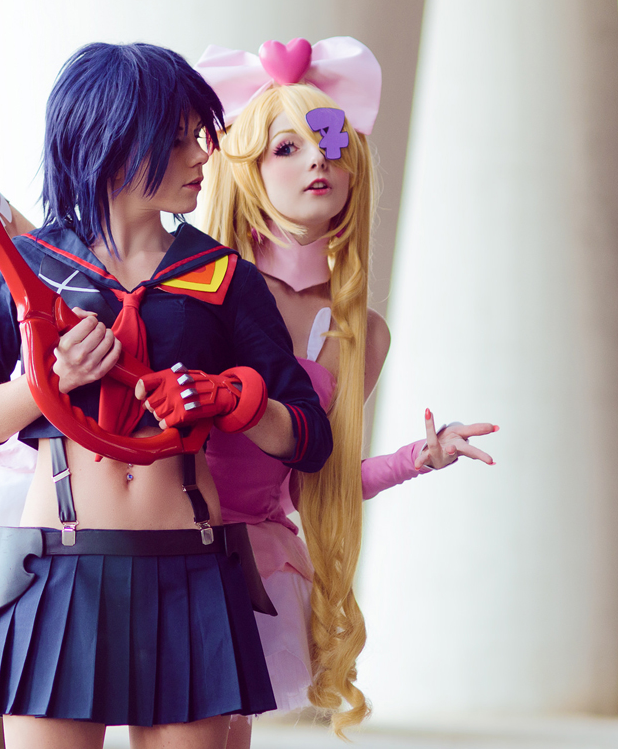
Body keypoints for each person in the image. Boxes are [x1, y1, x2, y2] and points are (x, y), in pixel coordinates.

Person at [0, 41, 333, 749]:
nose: (202, 156)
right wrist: (46, 386)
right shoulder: (33, 268)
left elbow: (310, 437)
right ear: (117, 141)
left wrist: (232, 400)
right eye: (179, 138)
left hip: (193, 571)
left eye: (200, 136)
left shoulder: (222, 276)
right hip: (55, 573)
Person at [194, 36, 496, 744]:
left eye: (331, 143)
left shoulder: (364, 333)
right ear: (245, 169)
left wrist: (419, 458)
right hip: (172, 541)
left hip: (258, 559)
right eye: (287, 147)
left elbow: (318, 485)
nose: (318, 160)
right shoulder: (197, 286)